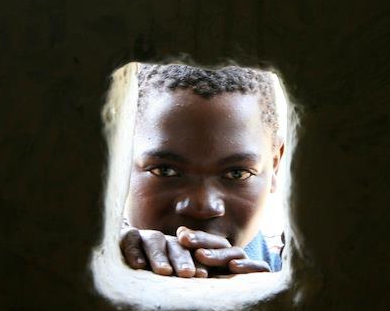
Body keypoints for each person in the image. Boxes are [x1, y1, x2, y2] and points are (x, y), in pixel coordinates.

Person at [118, 64, 286, 278]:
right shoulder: (95, 261)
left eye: (237, 173)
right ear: (119, 161)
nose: (202, 206)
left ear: (275, 163)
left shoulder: (292, 279)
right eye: (165, 170)